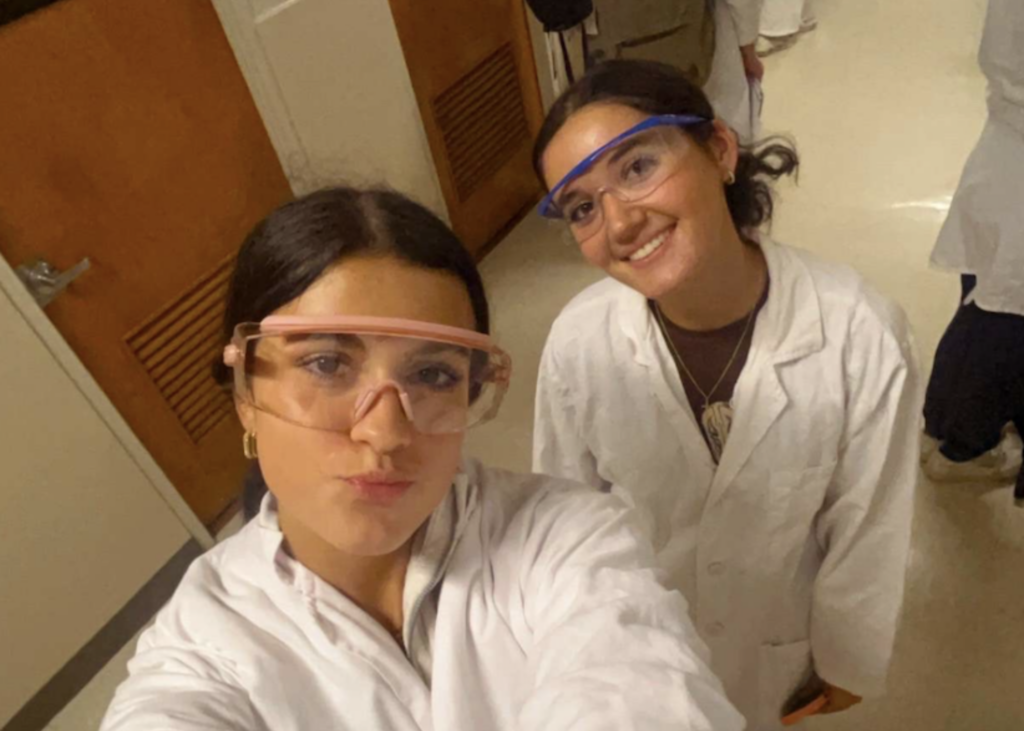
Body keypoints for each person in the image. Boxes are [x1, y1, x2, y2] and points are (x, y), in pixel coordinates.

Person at [99, 187, 742, 731]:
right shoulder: (202, 642)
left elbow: (640, 688)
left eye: (432, 375)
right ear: (244, 391)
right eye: (326, 364)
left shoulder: (564, 537)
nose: (384, 433)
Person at [530, 60, 921, 729]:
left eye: (637, 167)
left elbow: (868, 518)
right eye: (582, 207)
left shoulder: (859, 332)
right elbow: (565, 515)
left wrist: (847, 657)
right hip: (631, 652)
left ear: (718, 149)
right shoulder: (579, 345)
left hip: (773, 644)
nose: (620, 221)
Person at [922, 0, 1024, 499]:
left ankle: (943, 420)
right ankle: (965, 448)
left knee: (983, 297)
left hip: (1005, 149)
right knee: (1006, 325)